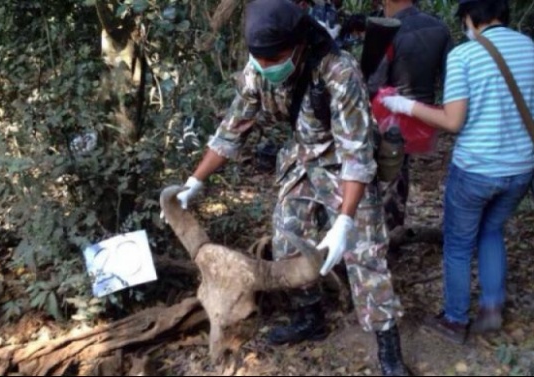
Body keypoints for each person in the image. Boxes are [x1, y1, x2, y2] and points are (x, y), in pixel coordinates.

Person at [163, 0, 409, 374]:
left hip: (343, 164)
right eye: (259, 60)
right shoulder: (258, 68)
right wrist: (195, 181)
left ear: (298, 45)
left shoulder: (339, 72)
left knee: (365, 254)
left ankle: (389, 350)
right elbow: (232, 128)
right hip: (301, 159)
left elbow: (357, 155)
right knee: (287, 239)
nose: (265, 68)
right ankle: (310, 316)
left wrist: (344, 222)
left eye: (274, 58)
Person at [381, 0, 534, 344]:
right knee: (492, 230)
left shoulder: (465, 55)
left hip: (477, 169)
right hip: (522, 167)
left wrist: (405, 105)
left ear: (470, 17)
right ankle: (491, 306)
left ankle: (454, 320)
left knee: (457, 244)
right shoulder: (529, 47)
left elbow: (453, 122)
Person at [368, 0, 453, 236]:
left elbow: (375, 82)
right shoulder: (440, 28)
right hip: (422, 115)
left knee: (384, 173)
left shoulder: (388, 30)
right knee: (398, 170)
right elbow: (451, 81)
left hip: (389, 113)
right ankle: (394, 228)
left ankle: (381, 236)